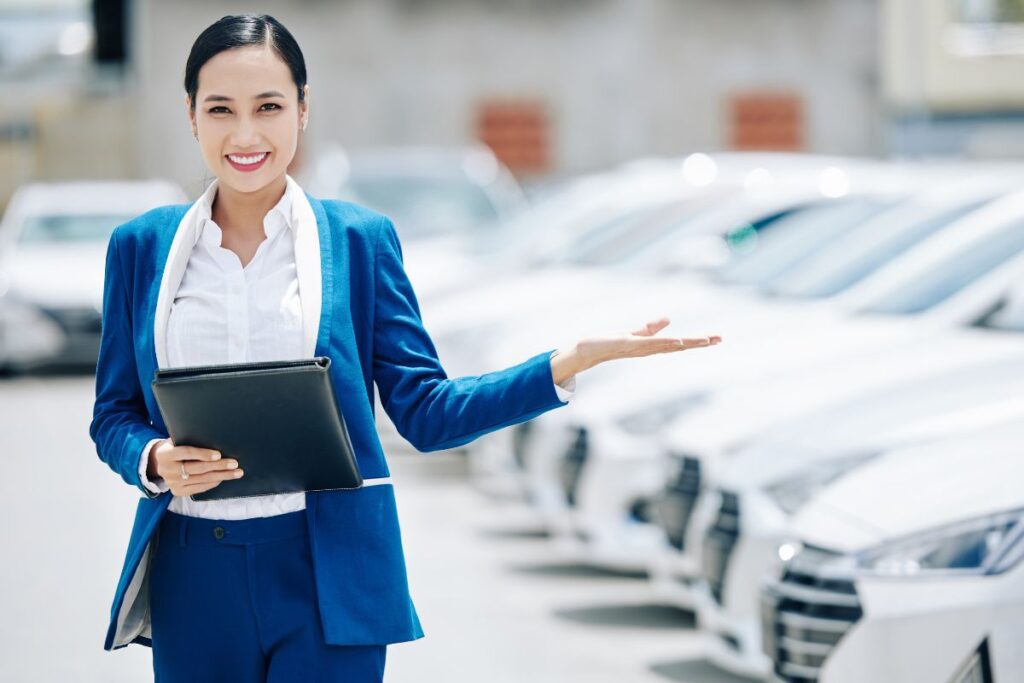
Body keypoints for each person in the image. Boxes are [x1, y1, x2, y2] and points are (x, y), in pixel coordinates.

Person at [88, 13, 722, 682]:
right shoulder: (142, 247)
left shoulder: (359, 241)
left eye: (269, 106)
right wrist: (154, 457)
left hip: (327, 570)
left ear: (303, 109)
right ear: (190, 114)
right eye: (221, 109)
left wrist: (562, 365)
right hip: (195, 572)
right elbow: (113, 415)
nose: (246, 134)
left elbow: (426, 409)